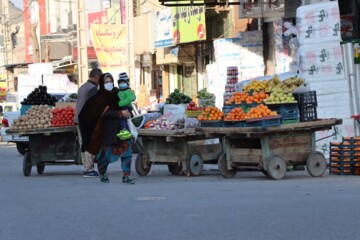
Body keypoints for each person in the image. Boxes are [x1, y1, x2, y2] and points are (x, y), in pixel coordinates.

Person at [78, 73, 135, 184]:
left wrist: (128, 113)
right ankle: (103, 173)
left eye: (111, 81)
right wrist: (119, 113)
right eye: (106, 82)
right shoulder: (99, 97)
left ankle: (126, 175)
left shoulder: (117, 93)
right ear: (102, 84)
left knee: (127, 152)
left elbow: (126, 105)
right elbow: (101, 113)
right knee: (106, 156)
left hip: (121, 128)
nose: (109, 84)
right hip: (107, 131)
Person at [74, 68, 102, 178]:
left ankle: (87, 168)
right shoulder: (92, 88)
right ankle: (88, 170)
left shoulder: (82, 87)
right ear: (96, 77)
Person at [116, 72, 136, 140]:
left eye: (123, 82)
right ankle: (124, 131)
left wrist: (120, 103)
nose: (122, 84)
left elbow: (131, 98)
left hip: (126, 107)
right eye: (120, 82)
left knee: (122, 118)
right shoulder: (119, 90)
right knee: (123, 119)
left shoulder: (128, 90)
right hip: (122, 107)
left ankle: (124, 132)